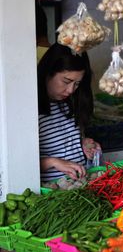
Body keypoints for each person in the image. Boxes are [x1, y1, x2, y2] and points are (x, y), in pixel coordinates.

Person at [37, 43, 101, 183]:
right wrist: (53, 162)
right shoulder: (29, 110)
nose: (71, 90)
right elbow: (17, 164)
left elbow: (66, 142)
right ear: (48, 73)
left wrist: (83, 144)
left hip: (77, 185)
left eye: (77, 84)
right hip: (49, 192)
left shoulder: (69, 103)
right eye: (66, 81)